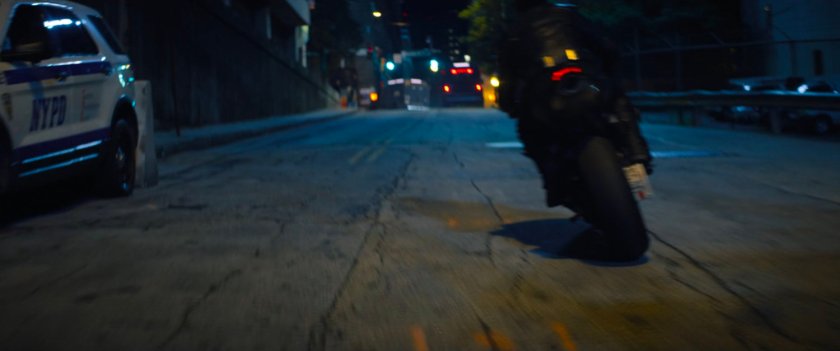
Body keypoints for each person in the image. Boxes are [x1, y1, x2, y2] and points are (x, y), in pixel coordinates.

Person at [498, 0, 652, 208]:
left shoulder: (512, 34)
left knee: (528, 131)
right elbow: (607, 47)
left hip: (546, 94)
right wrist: (608, 70)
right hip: (586, 79)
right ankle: (638, 152)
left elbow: (507, 83)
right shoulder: (567, 15)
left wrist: (510, 105)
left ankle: (554, 185)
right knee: (616, 97)